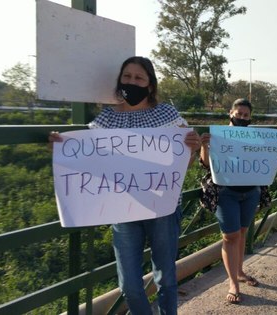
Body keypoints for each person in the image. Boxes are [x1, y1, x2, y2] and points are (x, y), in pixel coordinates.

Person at [50, 56, 201, 315]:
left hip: (161, 207)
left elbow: (183, 165)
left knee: (165, 277)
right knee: (129, 284)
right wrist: (61, 147)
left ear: (150, 85)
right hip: (123, 209)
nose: (132, 82)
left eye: (139, 78)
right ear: (120, 80)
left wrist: (191, 149)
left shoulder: (167, 114)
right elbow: (88, 156)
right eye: (127, 77)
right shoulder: (106, 118)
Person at [199, 98, 261, 304]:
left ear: (250, 117)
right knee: (230, 235)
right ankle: (233, 282)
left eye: (246, 115)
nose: (242, 118)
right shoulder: (218, 136)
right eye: (239, 114)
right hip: (225, 192)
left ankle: (240, 271)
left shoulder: (256, 136)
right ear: (230, 113)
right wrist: (205, 146)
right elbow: (206, 164)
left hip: (250, 192)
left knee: (242, 232)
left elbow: (267, 158)